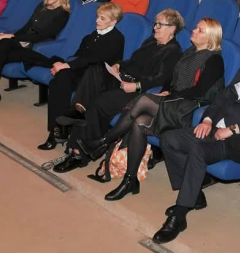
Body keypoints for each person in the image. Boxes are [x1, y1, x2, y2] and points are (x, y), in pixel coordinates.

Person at [154, 41, 240, 244]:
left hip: (235, 140)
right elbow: (221, 98)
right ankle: (195, 195)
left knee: (198, 151)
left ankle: (180, 215)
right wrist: (208, 120)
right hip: (214, 128)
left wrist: (233, 129)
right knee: (169, 139)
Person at [91, 19, 227, 199]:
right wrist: (166, 90)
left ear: (210, 37)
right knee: (139, 123)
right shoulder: (190, 52)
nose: (193, 31)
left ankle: (104, 140)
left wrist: (169, 95)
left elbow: (199, 91)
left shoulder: (215, 60)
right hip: (175, 102)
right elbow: (171, 79)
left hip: (188, 110)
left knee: (143, 100)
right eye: (196, 28)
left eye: (200, 30)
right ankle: (130, 180)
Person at [52, 9, 183, 165]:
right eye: (155, 24)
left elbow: (161, 79)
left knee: (97, 102)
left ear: (172, 29)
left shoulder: (174, 51)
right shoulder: (151, 41)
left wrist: (136, 86)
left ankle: (79, 153)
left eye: (160, 25)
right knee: (96, 69)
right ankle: (78, 110)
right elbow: (132, 61)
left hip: (136, 90)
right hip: (122, 78)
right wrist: (118, 65)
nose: (155, 27)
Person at [0, 0, 72, 111]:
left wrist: (11, 37)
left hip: (38, 47)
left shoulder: (62, 14)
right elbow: (26, 28)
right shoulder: (41, 6)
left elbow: (42, 36)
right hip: (24, 42)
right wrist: (11, 36)